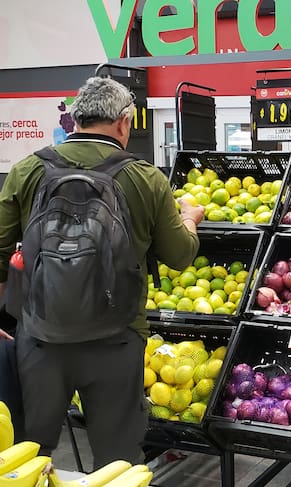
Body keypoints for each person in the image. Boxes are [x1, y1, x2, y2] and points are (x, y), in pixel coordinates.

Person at [0, 76, 204, 468]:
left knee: (29, 454)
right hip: (116, 341)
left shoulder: (27, 169)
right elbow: (179, 256)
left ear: (74, 118)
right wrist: (189, 219)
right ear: (124, 122)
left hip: (40, 338)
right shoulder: (145, 178)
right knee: (118, 460)